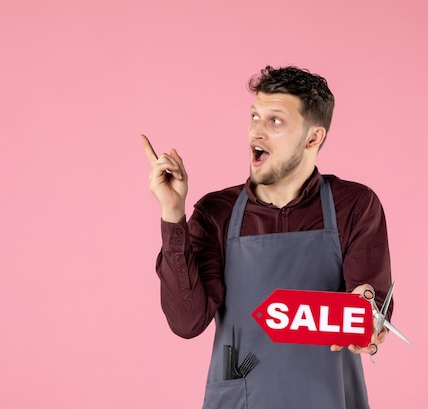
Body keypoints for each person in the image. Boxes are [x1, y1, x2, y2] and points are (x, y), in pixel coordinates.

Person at [141, 65, 392, 409]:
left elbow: (370, 304)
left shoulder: (355, 205)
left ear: (312, 138)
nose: (255, 132)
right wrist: (172, 214)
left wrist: (370, 308)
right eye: (254, 116)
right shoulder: (218, 213)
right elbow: (187, 322)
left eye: (274, 121)